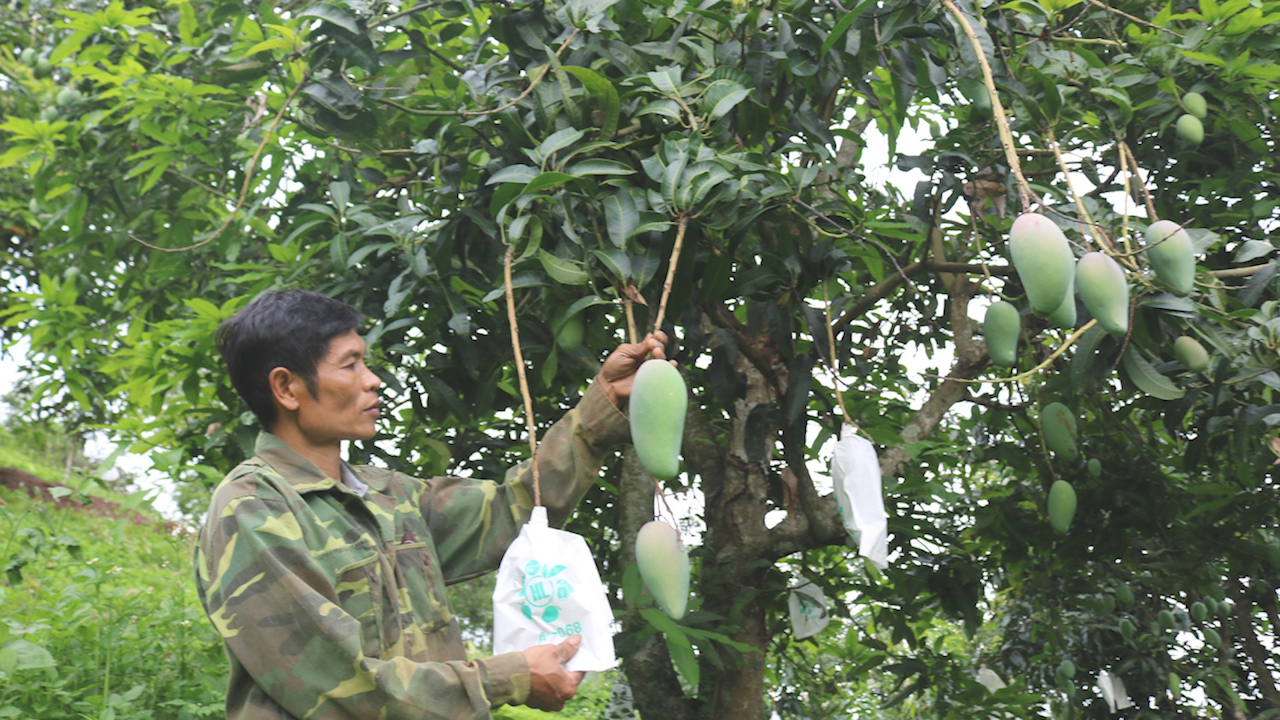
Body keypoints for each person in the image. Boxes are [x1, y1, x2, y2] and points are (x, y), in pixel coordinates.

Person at [194, 289, 668, 720]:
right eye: (350, 364)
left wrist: (601, 405)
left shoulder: (390, 494)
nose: (373, 380)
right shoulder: (253, 510)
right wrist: (510, 676)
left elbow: (512, 510)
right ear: (287, 388)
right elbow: (342, 686)